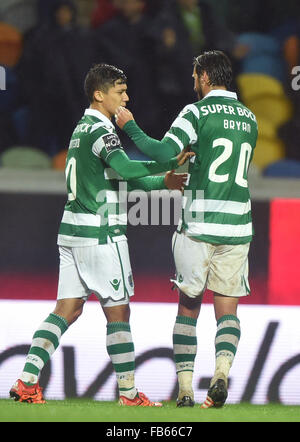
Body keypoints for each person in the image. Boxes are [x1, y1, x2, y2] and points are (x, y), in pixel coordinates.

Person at [9, 63, 192, 406]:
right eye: (120, 91)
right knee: (118, 313)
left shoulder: (82, 129)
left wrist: (162, 183)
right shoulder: (103, 132)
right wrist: (163, 165)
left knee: (67, 309)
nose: (126, 97)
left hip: (72, 233)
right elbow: (125, 168)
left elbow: (119, 177)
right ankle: (128, 394)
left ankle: (26, 381)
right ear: (99, 94)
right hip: (101, 234)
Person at [115, 50, 258, 408]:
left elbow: (163, 153)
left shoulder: (196, 112)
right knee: (227, 310)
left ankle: (185, 390)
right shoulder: (251, 118)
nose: (193, 81)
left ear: (206, 77)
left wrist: (129, 125)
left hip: (198, 225)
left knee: (188, 308)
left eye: (195, 76)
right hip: (238, 225)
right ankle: (222, 373)